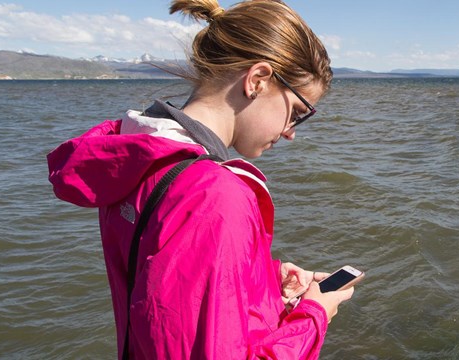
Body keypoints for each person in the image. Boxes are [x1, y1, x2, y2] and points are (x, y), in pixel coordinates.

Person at [47, 0, 355, 358]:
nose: (291, 133)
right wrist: (313, 317)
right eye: (298, 113)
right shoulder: (214, 196)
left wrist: (264, 280)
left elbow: (167, 297)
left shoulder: (138, 156)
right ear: (257, 80)